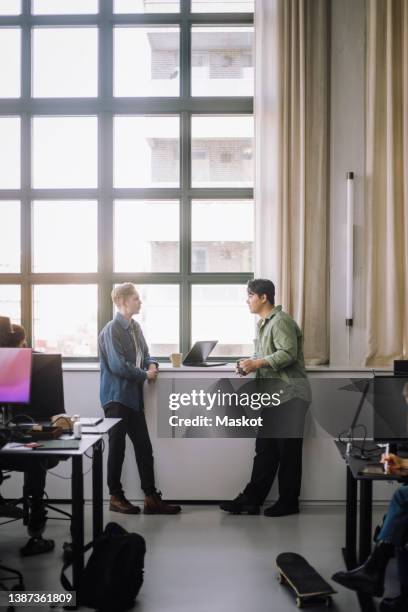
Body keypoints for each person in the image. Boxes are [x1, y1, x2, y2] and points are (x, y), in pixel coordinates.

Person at [220, 279, 311, 517]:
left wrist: (256, 362)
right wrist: (247, 364)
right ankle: (252, 500)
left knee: (288, 453)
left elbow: (288, 353)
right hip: (274, 398)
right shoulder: (263, 325)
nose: (247, 300)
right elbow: (265, 356)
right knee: (265, 450)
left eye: (250, 295)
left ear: (263, 297)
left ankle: (289, 502)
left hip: (290, 396)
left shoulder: (280, 321)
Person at [99, 283, 181, 515]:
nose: (140, 302)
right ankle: (115, 497)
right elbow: (117, 366)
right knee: (117, 449)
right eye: (136, 298)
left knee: (144, 448)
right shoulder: (111, 330)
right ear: (123, 301)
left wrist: (152, 364)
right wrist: (145, 374)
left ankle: (151, 498)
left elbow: (146, 354)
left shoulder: (135, 328)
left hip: (133, 399)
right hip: (116, 399)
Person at [0, 316, 58, 556]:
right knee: (38, 459)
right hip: (15, 446)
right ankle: (36, 528)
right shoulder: (15, 366)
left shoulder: (17, 367)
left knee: (34, 455)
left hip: (10, 440)